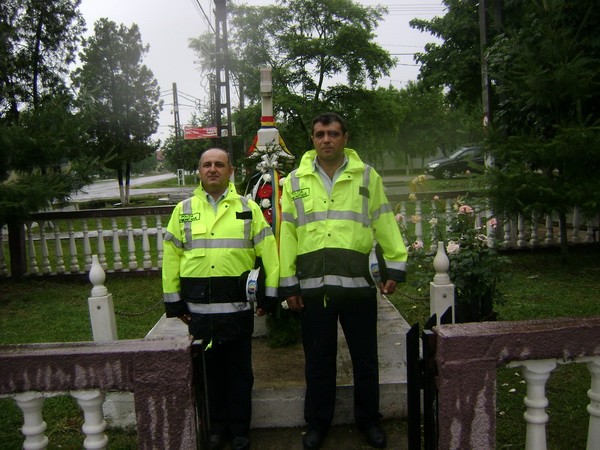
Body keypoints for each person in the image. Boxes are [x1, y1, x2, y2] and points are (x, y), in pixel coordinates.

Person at [279, 113, 408, 449]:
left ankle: (369, 421)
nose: (327, 139)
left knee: (365, 359)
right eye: (320, 134)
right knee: (318, 361)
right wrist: (289, 284)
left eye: (333, 133)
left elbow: (383, 219)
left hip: (357, 285)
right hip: (313, 287)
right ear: (312, 139)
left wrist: (395, 266)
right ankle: (317, 424)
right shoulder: (294, 181)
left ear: (345, 138)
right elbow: (287, 234)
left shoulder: (366, 176)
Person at [162, 148, 279, 450]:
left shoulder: (248, 208)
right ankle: (215, 429)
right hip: (199, 312)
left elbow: (269, 253)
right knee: (208, 375)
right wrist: (174, 303)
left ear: (230, 171)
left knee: (240, 375)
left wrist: (270, 295)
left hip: (237, 310)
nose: (212, 169)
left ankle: (240, 430)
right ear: (199, 171)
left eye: (219, 164)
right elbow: (171, 258)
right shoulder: (183, 210)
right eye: (206, 165)